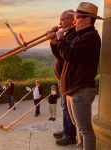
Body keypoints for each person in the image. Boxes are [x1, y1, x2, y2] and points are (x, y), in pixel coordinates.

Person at [48, 2, 103, 150]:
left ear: (87, 19)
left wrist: (60, 40)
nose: (74, 21)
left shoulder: (91, 37)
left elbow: (71, 55)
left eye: (77, 17)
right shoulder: (81, 35)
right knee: (79, 127)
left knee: (85, 130)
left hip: (81, 90)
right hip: (74, 89)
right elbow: (64, 56)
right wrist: (55, 42)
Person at [48, 10, 77, 146]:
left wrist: (59, 40)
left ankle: (69, 134)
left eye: (62, 20)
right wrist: (54, 41)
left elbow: (65, 56)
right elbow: (59, 55)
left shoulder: (73, 35)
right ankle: (67, 130)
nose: (60, 24)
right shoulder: (68, 35)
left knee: (67, 108)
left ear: (72, 19)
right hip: (64, 78)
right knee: (65, 107)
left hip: (70, 79)